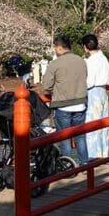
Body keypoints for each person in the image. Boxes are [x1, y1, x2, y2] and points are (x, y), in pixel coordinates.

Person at [41, 35, 89, 165]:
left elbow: (46, 87)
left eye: (55, 48)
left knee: (64, 138)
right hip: (80, 103)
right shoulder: (81, 61)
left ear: (59, 48)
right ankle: (84, 163)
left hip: (63, 105)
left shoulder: (55, 64)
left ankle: (67, 165)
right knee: (81, 136)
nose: (55, 51)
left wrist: (51, 91)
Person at [81, 34, 109, 160]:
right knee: (103, 124)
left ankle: (93, 155)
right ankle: (104, 153)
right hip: (103, 91)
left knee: (92, 125)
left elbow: (90, 81)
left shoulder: (91, 61)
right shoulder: (103, 58)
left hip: (93, 92)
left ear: (85, 47)